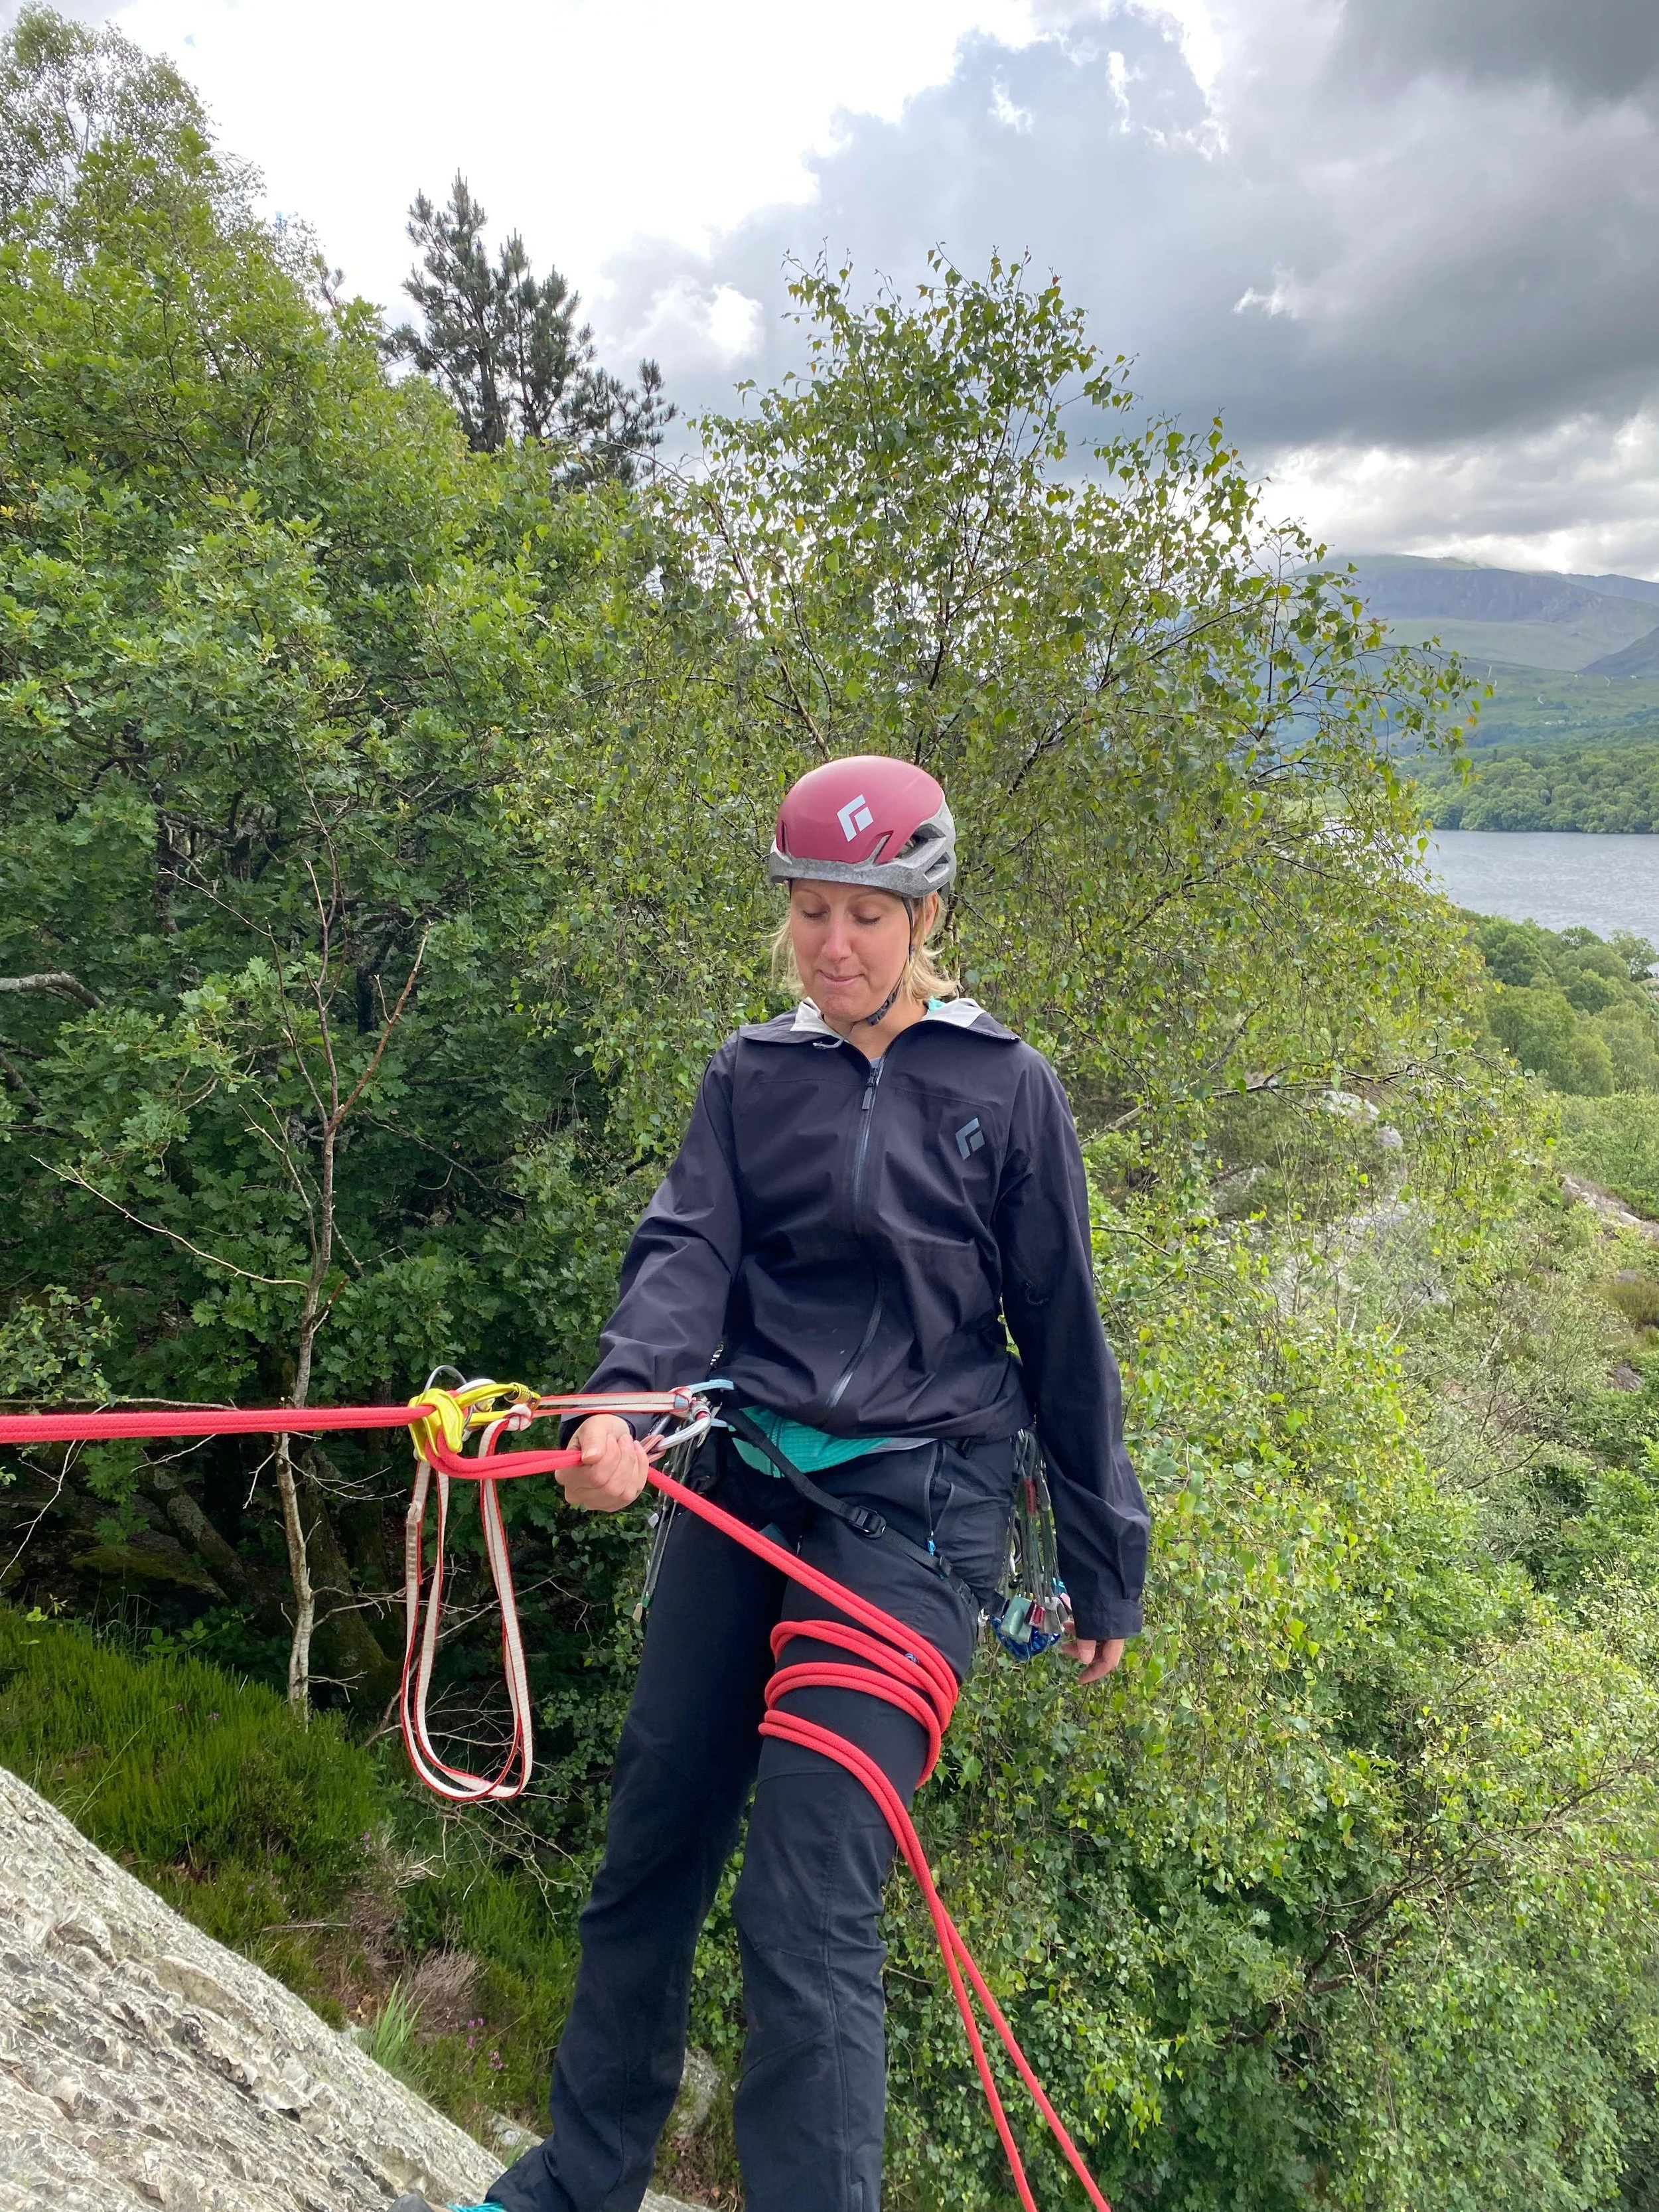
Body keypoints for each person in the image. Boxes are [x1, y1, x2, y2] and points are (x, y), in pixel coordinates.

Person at [486, 755, 1149, 2212]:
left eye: (866, 914)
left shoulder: (1004, 1089)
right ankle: (577, 2185)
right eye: (809, 912)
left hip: (916, 1511)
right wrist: (622, 1405)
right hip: (747, 1478)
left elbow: (1062, 1327)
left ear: (927, 919)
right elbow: (687, 1253)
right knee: (653, 1841)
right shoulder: (753, 1075)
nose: (833, 944)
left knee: (805, 1897)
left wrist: (1106, 1560)